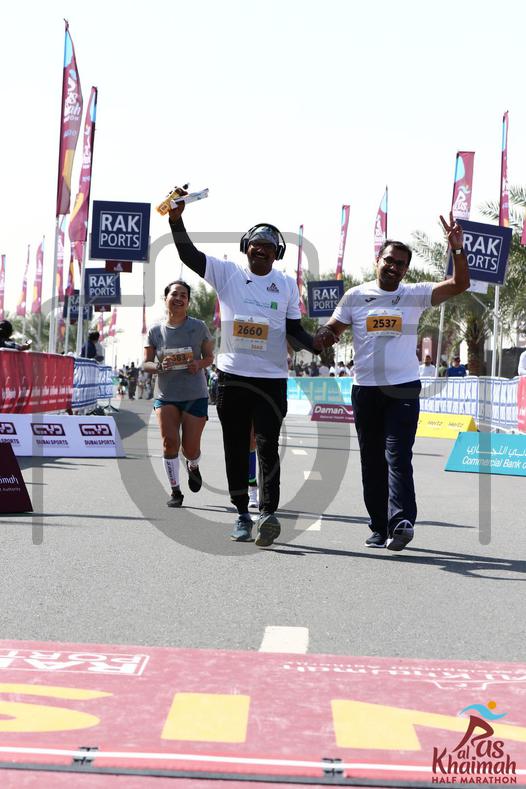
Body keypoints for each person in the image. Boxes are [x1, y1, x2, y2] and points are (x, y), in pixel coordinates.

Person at [168, 194, 329, 545]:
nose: (261, 251)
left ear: (277, 254)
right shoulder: (227, 274)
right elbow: (188, 255)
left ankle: (268, 513)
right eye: (256, 245)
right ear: (246, 248)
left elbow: (294, 331)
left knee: (268, 446)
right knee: (237, 448)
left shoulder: (286, 285)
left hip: (271, 380)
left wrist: (314, 343)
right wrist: (176, 221)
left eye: (268, 247)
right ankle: (242, 513)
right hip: (233, 379)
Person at [315, 212, 469, 552]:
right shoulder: (355, 296)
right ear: (378, 260)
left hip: (403, 388)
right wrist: (323, 335)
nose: (394, 267)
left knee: (397, 455)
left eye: (401, 264)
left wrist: (457, 249)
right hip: (365, 389)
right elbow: (333, 329)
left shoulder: (414, 294)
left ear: (406, 270)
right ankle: (378, 525)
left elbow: (459, 284)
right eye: (389, 260)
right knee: (372, 460)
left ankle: (401, 521)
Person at [143, 280, 214, 507]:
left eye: (184, 295)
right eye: (174, 294)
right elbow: (146, 363)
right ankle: (175, 491)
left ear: (188, 302)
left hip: (195, 394)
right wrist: (159, 366)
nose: (179, 298)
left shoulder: (199, 327)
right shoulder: (155, 331)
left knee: (190, 449)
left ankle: (193, 464)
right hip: (166, 395)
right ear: (166, 299)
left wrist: (198, 364)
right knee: (169, 443)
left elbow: (210, 357)